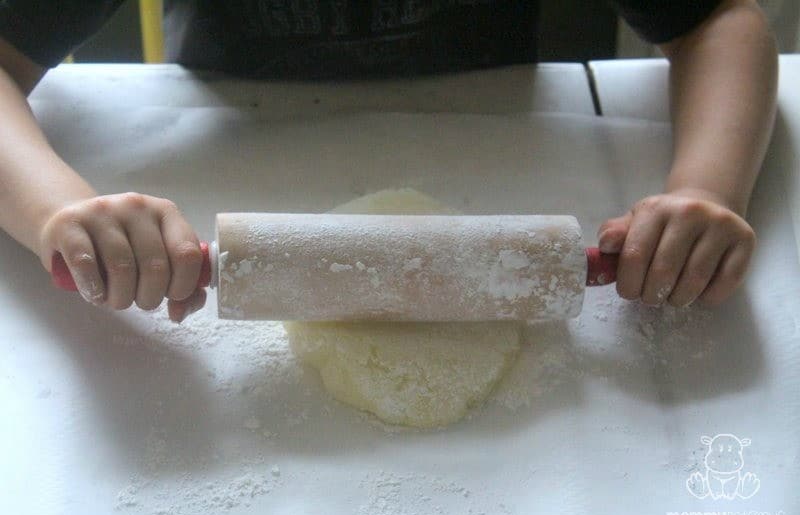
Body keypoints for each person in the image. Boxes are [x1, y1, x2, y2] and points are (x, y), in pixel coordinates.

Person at [0, 1, 778, 323]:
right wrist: (59, 211)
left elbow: (719, 19)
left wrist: (704, 189)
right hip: (232, 134)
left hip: (506, 137)